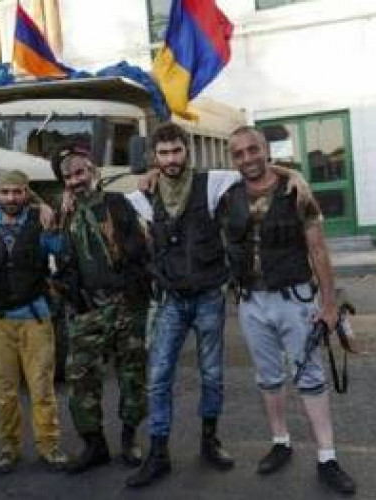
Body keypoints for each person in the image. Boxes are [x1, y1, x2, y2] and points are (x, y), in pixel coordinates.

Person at [222, 125, 356, 495]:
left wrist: (329, 304)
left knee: (310, 376)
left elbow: (318, 250)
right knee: (268, 377)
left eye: (253, 149)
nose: (247, 158)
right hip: (251, 302)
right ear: (232, 158)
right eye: (239, 153)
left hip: (294, 301)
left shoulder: (297, 191)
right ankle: (280, 442)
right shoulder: (227, 195)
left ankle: (327, 457)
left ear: (266, 150)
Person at [124, 123, 240, 488]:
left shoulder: (213, 183)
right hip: (171, 300)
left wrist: (294, 177)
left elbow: (258, 171)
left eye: (177, 151)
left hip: (208, 297)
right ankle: (158, 454)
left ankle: (210, 441)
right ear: (154, 157)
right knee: (158, 377)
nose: (171, 159)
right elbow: (93, 195)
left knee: (212, 374)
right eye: (164, 153)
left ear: (187, 151)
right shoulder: (143, 196)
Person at [52, 144, 151, 474]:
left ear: (93, 170)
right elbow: (59, 255)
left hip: (126, 304)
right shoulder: (64, 214)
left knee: (132, 377)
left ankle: (129, 439)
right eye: (68, 177)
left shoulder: (117, 203)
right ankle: (94, 445)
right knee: (80, 377)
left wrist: (135, 292)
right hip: (88, 308)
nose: (76, 180)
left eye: (80, 172)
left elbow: (141, 249)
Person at [0, 169, 68, 474]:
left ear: (27, 193)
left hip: (35, 317)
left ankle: (49, 446)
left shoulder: (40, 220)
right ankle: (9, 447)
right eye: (5, 192)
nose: (11, 198)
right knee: (3, 391)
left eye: (17, 191)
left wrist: (53, 223)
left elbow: (61, 251)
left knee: (42, 388)